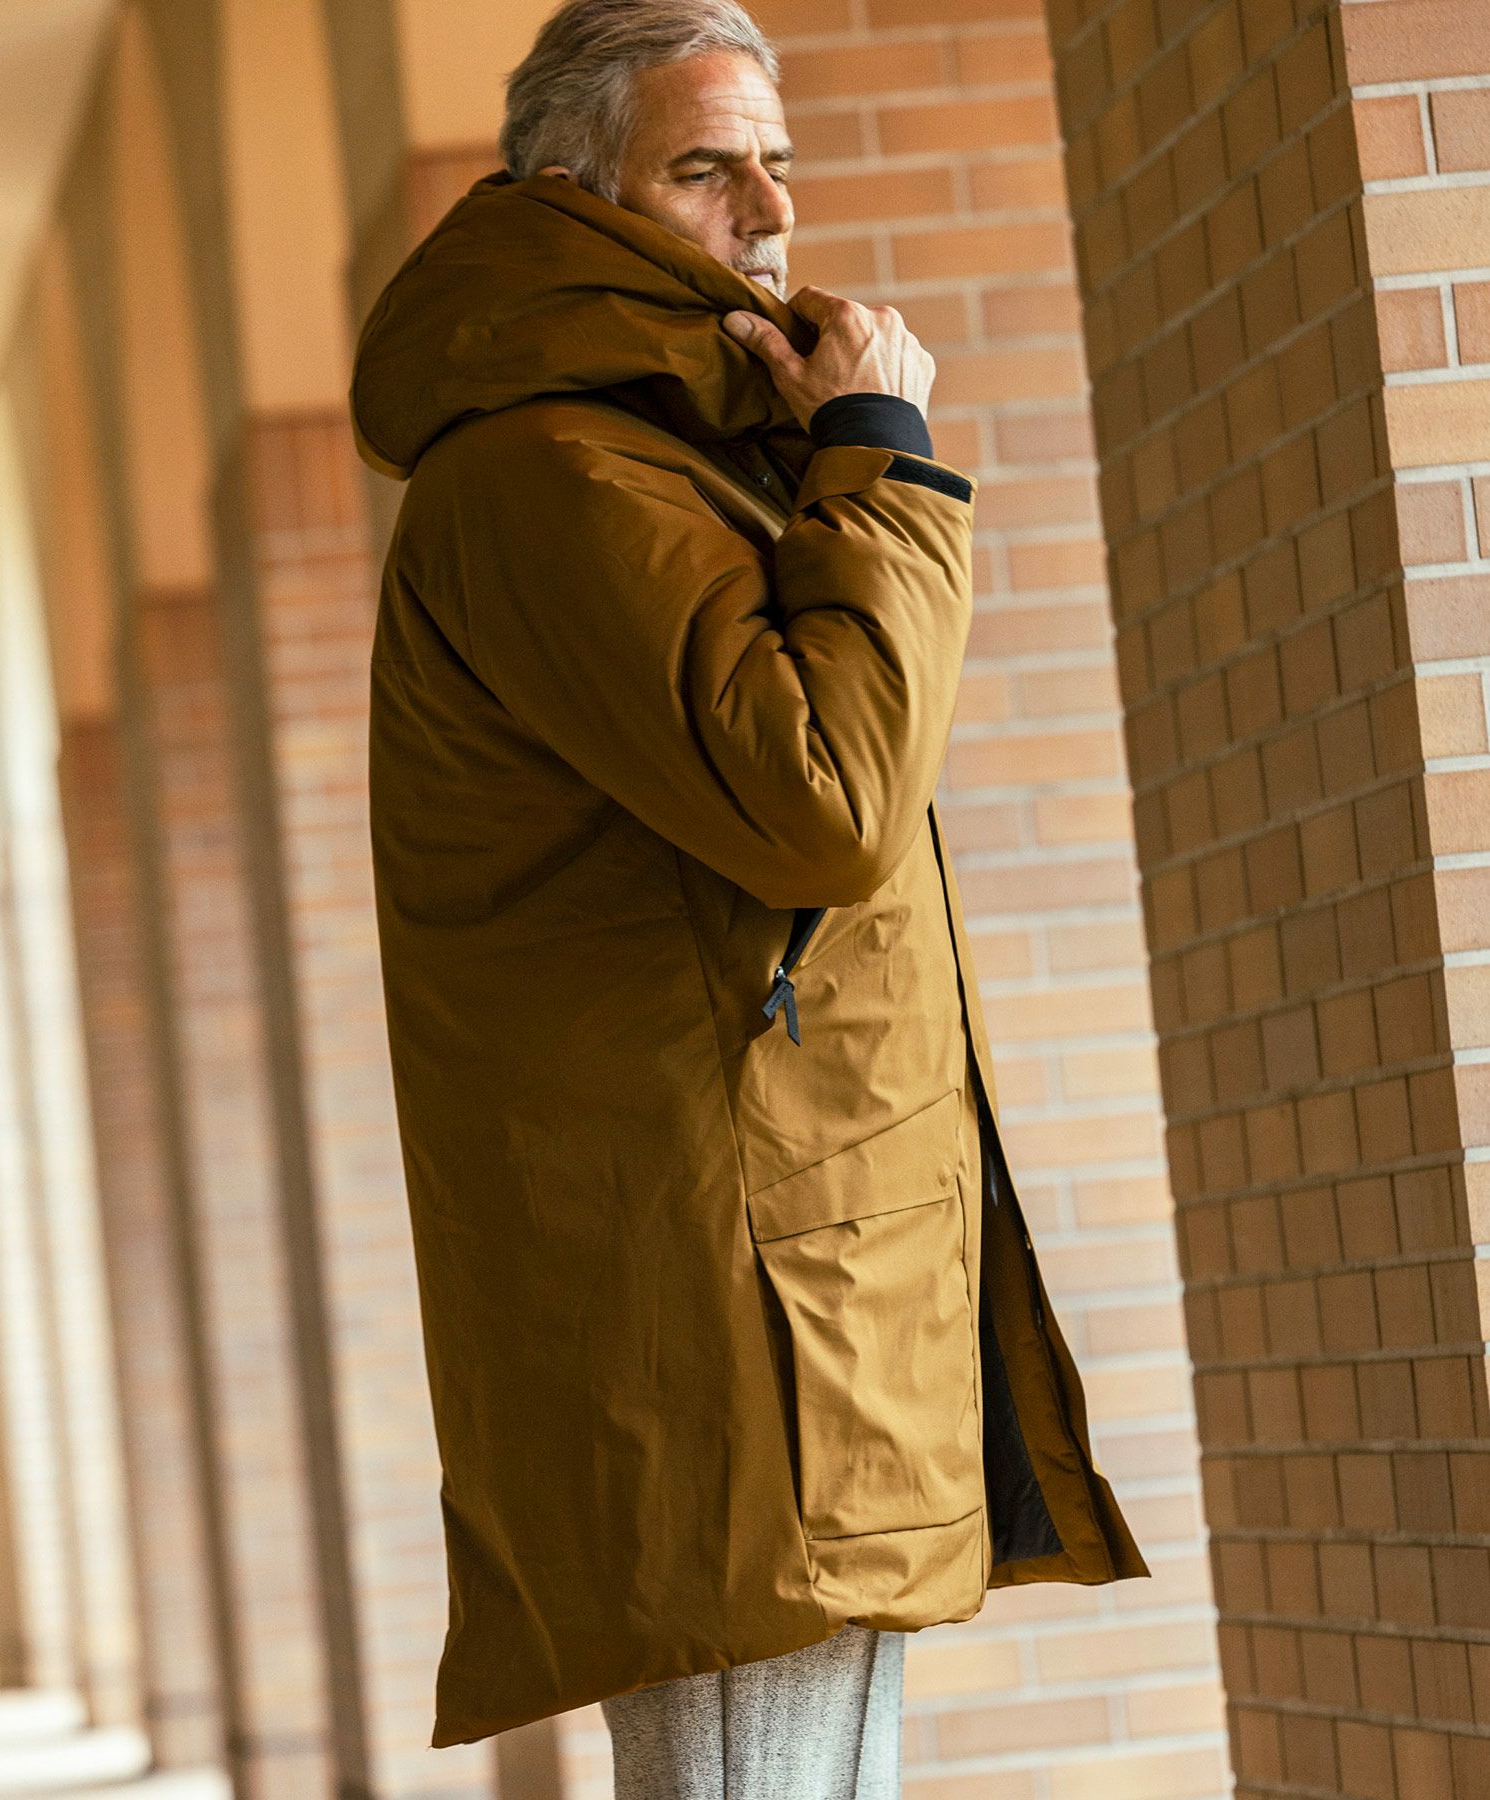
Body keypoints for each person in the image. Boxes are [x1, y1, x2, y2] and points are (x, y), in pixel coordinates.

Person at [350, 2, 1148, 1794]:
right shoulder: (556, 474)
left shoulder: (666, 444)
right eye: (706, 167)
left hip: (788, 1255)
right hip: (726, 1297)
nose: (769, 209)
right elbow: (826, 803)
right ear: (579, 197)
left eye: (778, 161)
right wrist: (882, 456)